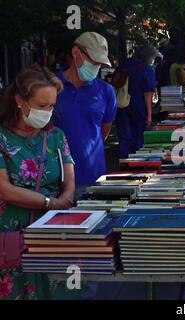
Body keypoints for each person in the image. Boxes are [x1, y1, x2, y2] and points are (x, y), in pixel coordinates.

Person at [0, 65, 77, 300]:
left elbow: (69, 177)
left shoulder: (56, 136)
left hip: (52, 237)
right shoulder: (2, 138)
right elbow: (4, 189)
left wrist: (66, 198)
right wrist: (51, 203)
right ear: (19, 101)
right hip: (11, 240)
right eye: (41, 106)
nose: (47, 112)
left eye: (51, 106)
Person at [52, 32, 117, 199]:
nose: (96, 66)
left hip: (93, 176)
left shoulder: (106, 91)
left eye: (99, 63)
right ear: (76, 53)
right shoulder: (51, 87)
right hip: (55, 180)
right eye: (92, 61)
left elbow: (104, 132)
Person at [114, 45, 158, 159]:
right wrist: (149, 114)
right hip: (139, 106)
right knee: (138, 137)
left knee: (124, 136)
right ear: (148, 56)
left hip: (121, 104)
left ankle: (123, 163)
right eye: (153, 57)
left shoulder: (124, 63)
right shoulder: (146, 69)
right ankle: (136, 164)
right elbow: (147, 93)